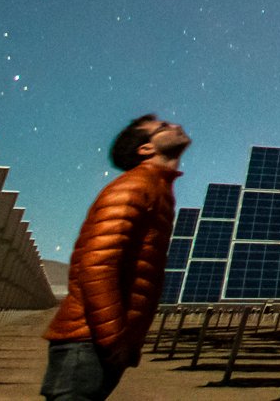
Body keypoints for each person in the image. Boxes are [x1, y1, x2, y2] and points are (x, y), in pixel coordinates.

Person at [40, 115, 190, 401]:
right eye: (162, 127)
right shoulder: (133, 187)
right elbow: (97, 265)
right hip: (88, 342)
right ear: (145, 149)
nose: (174, 125)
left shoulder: (156, 188)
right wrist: (113, 337)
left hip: (93, 343)